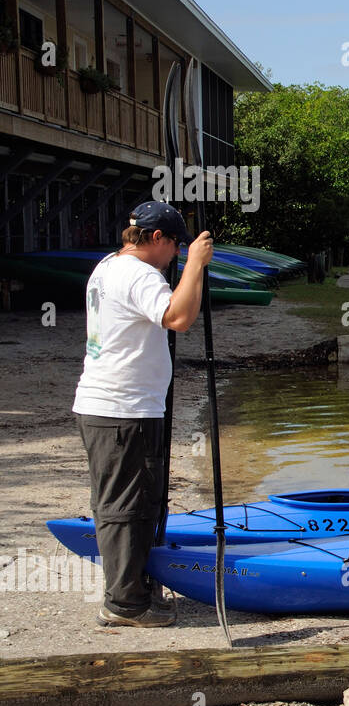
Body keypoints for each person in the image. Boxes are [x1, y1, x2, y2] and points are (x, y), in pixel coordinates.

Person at [72, 201, 214, 627]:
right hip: (120, 407)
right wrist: (195, 266)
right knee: (124, 505)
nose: (174, 254)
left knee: (138, 500)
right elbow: (179, 317)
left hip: (124, 405)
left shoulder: (109, 265)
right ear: (156, 239)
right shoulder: (137, 274)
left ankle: (137, 586)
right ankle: (124, 604)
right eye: (174, 246)